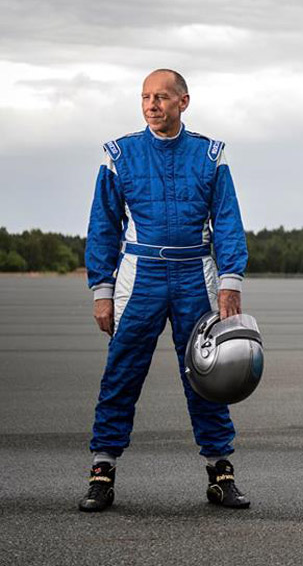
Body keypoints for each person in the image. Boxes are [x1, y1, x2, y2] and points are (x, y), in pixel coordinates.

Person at [79, 69, 251, 512]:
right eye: (145, 97)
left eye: (161, 97)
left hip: (196, 273)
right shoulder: (120, 154)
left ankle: (220, 473)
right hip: (140, 276)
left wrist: (230, 282)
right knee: (122, 372)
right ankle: (102, 471)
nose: (152, 105)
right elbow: (103, 225)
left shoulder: (210, 155)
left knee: (208, 373)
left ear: (183, 102)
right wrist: (102, 289)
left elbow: (227, 220)